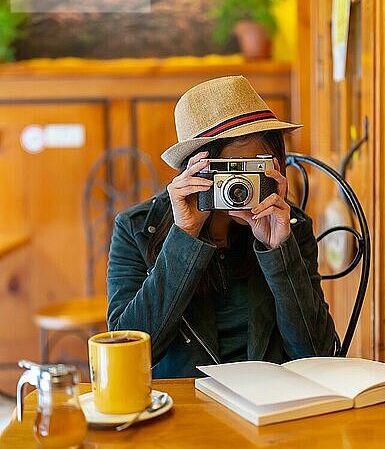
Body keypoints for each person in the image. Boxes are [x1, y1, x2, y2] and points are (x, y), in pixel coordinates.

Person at [107, 75, 339, 378]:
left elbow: (319, 355)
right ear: (196, 168)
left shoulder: (290, 226)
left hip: (269, 399)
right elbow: (126, 353)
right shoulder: (136, 229)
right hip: (186, 405)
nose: (240, 184)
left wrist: (278, 252)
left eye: (256, 167)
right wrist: (184, 238)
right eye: (229, 169)